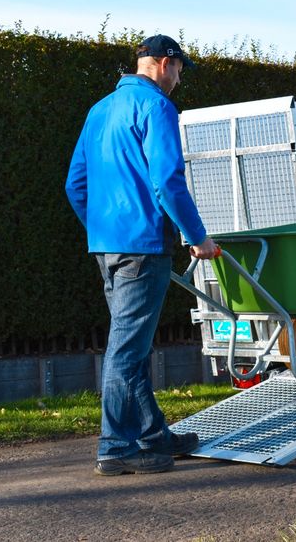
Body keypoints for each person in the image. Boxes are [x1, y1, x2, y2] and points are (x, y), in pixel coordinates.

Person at [65, 34, 219, 476]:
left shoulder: (99, 110)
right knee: (125, 353)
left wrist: (103, 229)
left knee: (131, 348)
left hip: (109, 247)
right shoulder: (156, 107)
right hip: (143, 249)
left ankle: (154, 436)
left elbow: (76, 185)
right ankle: (116, 447)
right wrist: (198, 237)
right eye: (179, 71)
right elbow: (167, 181)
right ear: (165, 63)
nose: (177, 81)